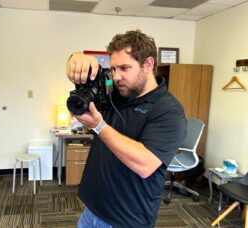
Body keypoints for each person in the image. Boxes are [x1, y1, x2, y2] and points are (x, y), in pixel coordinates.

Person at [66, 30, 187, 228]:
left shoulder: (169, 111)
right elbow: (78, 75)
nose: (116, 76)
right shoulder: (116, 94)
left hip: (127, 220)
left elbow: (145, 165)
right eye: (113, 69)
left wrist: (99, 126)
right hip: (92, 211)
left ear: (148, 64)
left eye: (124, 68)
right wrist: (75, 60)